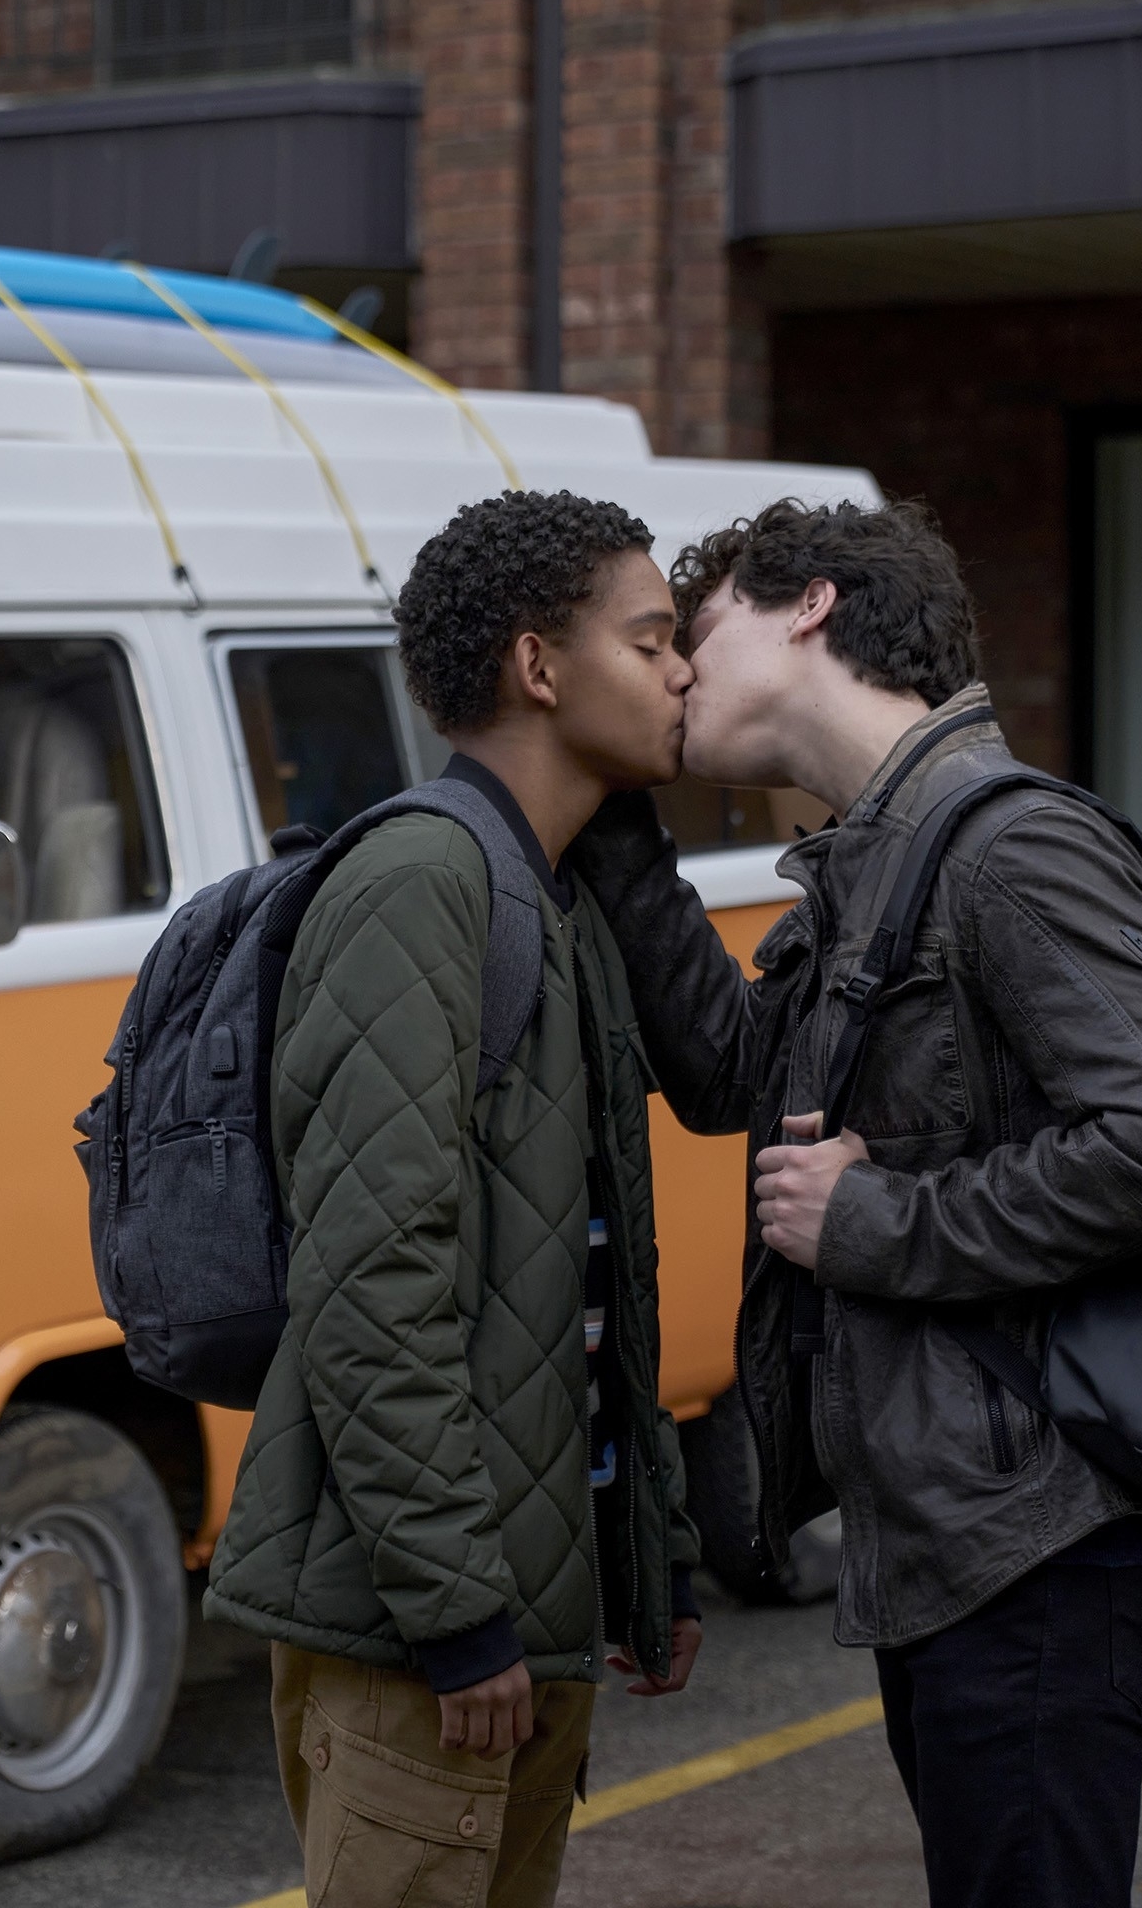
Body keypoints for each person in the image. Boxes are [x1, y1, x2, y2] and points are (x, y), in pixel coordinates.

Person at [575, 498, 1142, 1908]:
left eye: (695, 635)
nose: (681, 675)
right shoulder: (873, 856)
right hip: (961, 1530)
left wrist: (881, 1222)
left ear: (811, 605)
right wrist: (615, 806)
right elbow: (731, 1076)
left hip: (1050, 1537)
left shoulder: (1005, 846)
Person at [204, 490, 704, 1908]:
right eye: (654, 639)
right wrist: (458, 1610)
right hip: (423, 1636)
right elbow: (375, 1281)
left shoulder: (553, 890)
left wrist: (644, 1559)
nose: (684, 673)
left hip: (524, 1625)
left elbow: (588, 1283)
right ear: (539, 669)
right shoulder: (421, 881)